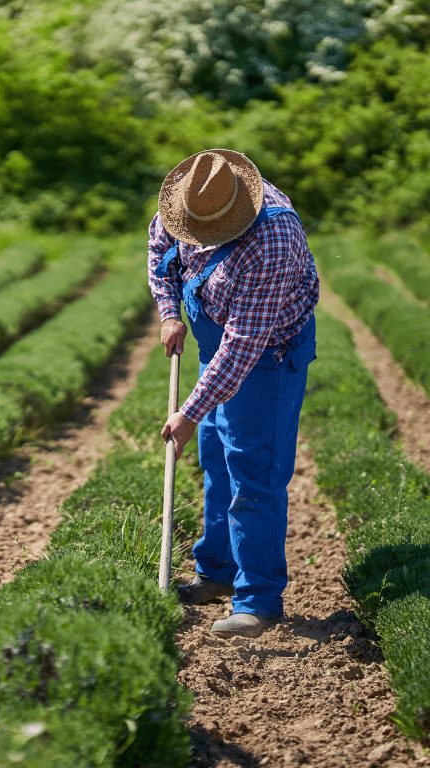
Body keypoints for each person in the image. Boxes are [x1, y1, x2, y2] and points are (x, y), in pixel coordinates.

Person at [147, 148, 319, 639]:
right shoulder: (187, 202)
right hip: (214, 338)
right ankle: (217, 571)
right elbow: (160, 253)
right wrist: (168, 313)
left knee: (254, 472)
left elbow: (243, 346)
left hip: (266, 356)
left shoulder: (273, 237)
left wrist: (188, 412)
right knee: (217, 459)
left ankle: (258, 600)